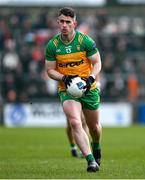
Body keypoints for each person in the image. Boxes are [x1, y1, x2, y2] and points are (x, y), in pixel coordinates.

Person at [45, 7, 102, 172]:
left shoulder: (85, 41)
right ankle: (91, 161)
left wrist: (90, 78)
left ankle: (96, 145)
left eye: (68, 22)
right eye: (61, 21)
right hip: (67, 89)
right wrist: (64, 78)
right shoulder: (52, 45)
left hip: (88, 88)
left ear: (74, 24)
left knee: (94, 127)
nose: (64, 25)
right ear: (58, 23)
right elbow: (50, 70)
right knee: (76, 122)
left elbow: (97, 62)